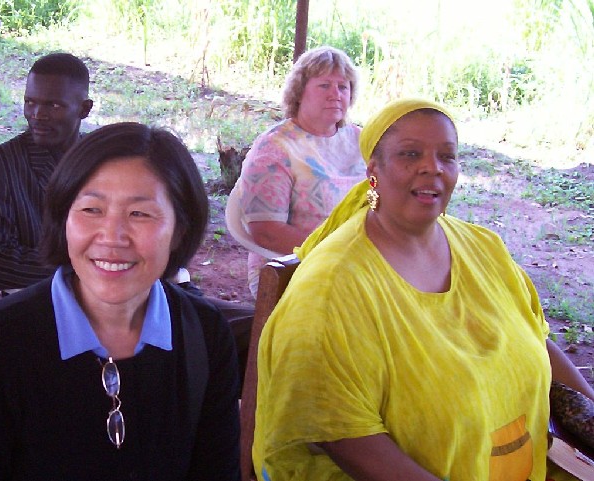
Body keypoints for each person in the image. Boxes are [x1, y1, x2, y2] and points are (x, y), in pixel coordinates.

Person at [252, 98, 594, 481]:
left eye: (447, 156)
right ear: (373, 170)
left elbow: (534, 338)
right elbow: (344, 435)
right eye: (410, 154)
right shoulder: (332, 289)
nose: (432, 167)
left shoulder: (483, 248)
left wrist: (590, 417)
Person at [0, 122, 241, 480]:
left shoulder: (203, 334)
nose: (112, 237)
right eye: (91, 210)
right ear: (63, 217)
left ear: (179, 231)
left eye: (139, 214)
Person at [230, 45, 364, 295]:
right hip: (295, 267)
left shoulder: (361, 140)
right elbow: (267, 233)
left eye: (343, 87)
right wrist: (337, 255)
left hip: (358, 263)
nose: (335, 94)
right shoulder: (275, 148)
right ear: (299, 92)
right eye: (324, 85)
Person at [0, 52, 93, 291]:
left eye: (53, 105)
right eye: (30, 102)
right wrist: (88, 270)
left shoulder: (104, 159)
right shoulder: (0, 167)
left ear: (84, 109)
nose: (37, 115)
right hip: (41, 302)